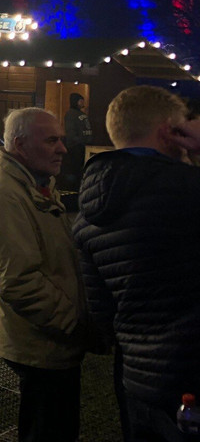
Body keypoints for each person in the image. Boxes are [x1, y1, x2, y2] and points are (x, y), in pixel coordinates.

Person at [73, 86, 200, 442]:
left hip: (136, 379)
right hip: (192, 373)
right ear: (168, 131)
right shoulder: (188, 188)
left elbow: (101, 313)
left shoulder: (87, 215)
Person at [0, 107, 89, 442]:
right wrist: (75, 323)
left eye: (62, 140)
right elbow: (19, 283)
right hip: (43, 341)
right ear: (21, 145)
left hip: (47, 336)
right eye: (51, 140)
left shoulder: (32, 182)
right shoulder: (6, 194)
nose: (63, 149)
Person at [62, 92, 93, 189]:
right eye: (80, 100)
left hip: (84, 146)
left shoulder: (81, 114)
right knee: (75, 170)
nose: (82, 102)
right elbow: (70, 132)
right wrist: (78, 140)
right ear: (76, 101)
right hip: (75, 147)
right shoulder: (70, 114)